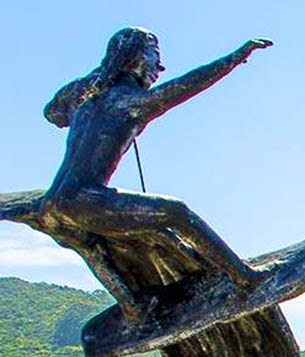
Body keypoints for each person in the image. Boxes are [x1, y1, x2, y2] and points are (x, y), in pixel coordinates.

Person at [39, 28, 272, 311]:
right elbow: (187, 85)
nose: (158, 69)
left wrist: (94, 82)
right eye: (154, 58)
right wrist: (234, 59)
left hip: (51, 205)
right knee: (178, 213)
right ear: (132, 58)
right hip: (85, 200)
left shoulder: (83, 95)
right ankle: (244, 276)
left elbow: (52, 113)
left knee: (95, 245)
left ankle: (133, 307)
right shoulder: (132, 102)